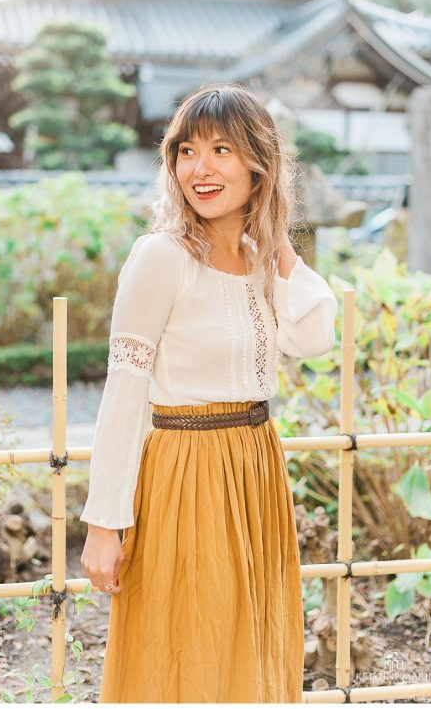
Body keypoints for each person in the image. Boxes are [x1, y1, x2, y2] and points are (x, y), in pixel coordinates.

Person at [79, 82, 338, 703]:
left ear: (259, 163)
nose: (201, 167)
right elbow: (123, 392)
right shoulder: (159, 257)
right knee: (187, 645)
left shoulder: (258, 260)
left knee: (253, 644)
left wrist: (274, 241)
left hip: (255, 467)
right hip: (184, 470)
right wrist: (103, 525)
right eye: (186, 151)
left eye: (222, 149)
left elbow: (318, 335)